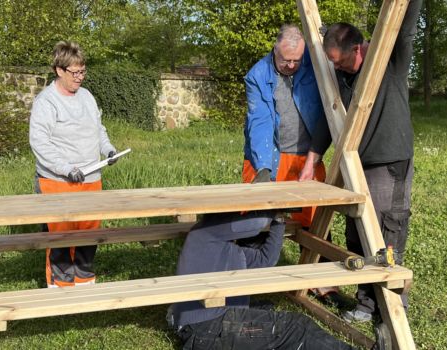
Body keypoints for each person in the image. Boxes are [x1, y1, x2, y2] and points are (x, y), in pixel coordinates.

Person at [299, 0, 422, 323]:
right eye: (333, 65)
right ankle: (367, 303)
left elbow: (406, 26)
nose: (337, 69)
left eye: (341, 63)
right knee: (356, 232)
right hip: (355, 165)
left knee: (387, 233)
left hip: (388, 162)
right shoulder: (341, 74)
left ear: (359, 48)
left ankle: (393, 307)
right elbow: (332, 115)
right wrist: (313, 158)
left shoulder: (390, 59)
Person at [170, 211, 380, 350]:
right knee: (296, 326)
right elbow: (256, 223)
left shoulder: (229, 250)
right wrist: (274, 203)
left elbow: (265, 259)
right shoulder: (203, 234)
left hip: (213, 324)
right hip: (207, 330)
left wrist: (279, 221)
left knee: (269, 311)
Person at [29, 41, 119, 288]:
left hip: (90, 178)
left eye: (83, 71)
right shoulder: (46, 102)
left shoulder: (87, 97)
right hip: (56, 181)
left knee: (88, 233)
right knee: (60, 235)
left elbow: (98, 129)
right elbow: (39, 142)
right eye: (74, 72)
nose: (80, 77)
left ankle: (84, 280)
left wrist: (108, 149)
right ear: (59, 70)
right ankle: (60, 286)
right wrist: (66, 168)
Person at [242, 24, 327, 228]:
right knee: (255, 224)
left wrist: (328, 36)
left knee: (313, 226)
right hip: (269, 156)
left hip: (306, 158)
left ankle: (315, 260)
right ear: (275, 49)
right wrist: (263, 168)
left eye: (295, 61)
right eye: (285, 60)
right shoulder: (257, 76)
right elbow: (260, 121)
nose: (290, 65)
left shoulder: (315, 61)